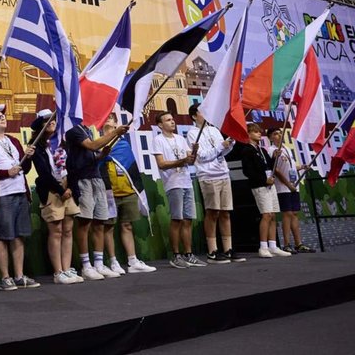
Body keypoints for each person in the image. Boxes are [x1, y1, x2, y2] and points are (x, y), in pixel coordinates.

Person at [0, 105, 40, 291]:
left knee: (19, 235)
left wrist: (28, 158)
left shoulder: (13, 140)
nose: (2, 118)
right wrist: (6, 173)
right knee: (3, 235)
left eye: (3, 116)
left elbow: (23, 169)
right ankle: (5, 277)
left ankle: (19, 275)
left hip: (20, 191)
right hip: (2, 193)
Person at [66, 117, 129, 280]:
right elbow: (92, 145)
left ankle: (99, 264)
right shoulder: (73, 129)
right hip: (82, 180)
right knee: (85, 223)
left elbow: (91, 154)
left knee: (100, 222)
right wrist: (115, 131)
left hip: (96, 177)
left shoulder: (86, 129)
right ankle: (86, 265)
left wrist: (101, 156)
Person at [98, 114, 156, 274]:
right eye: (105, 118)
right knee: (108, 227)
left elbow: (131, 166)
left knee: (127, 225)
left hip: (128, 190)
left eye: (111, 118)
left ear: (117, 122)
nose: (108, 120)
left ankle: (133, 261)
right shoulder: (98, 143)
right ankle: (113, 262)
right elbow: (96, 164)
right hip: (108, 191)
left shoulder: (123, 143)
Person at [189, 104, 245, 263]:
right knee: (212, 212)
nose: (206, 114)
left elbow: (222, 152)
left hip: (223, 173)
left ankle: (228, 249)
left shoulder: (214, 130)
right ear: (194, 116)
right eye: (201, 112)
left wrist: (229, 144)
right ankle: (212, 250)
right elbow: (203, 157)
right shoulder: (193, 134)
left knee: (226, 212)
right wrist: (221, 146)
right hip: (208, 175)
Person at [31, 110, 80, 285]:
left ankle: (67, 269)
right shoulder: (36, 145)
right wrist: (60, 189)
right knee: (56, 230)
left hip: (69, 189)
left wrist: (71, 187)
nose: (51, 122)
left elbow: (73, 165)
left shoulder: (63, 142)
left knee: (68, 229)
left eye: (53, 119)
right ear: (40, 126)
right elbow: (43, 172)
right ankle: (58, 272)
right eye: (47, 121)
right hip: (52, 190)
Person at [152, 112, 204, 269]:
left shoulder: (181, 139)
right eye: (168, 120)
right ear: (160, 125)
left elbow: (191, 160)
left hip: (187, 181)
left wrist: (194, 151)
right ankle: (176, 255)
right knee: (177, 220)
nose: (172, 122)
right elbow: (161, 164)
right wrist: (182, 161)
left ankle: (188, 254)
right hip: (173, 183)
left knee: (188, 220)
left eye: (172, 119)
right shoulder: (158, 140)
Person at [241, 124, 289, 258]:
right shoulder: (247, 150)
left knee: (273, 215)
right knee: (266, 214)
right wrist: (263, 180)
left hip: (270, 184)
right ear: (248, 134)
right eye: (255, 132)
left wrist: (275, 156)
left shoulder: (261, 149)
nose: (259, 134)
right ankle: (263, 246)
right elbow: (248, 171)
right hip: (260, 186)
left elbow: (269, 165)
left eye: (259, 131)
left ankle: (273, 245)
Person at [266, 128, 313, 253]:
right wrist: (287, 184)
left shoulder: (286, 148)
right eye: (275, 134)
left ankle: (299, 243)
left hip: (293, 185)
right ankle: (286, 244)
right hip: (283, 187)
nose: (279, 135)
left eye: (280, 132)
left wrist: (302, 167)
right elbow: (276, 170)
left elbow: (290, 166)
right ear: (270, 138)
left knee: (295, 213)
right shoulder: (272, 150)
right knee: (287, 214)